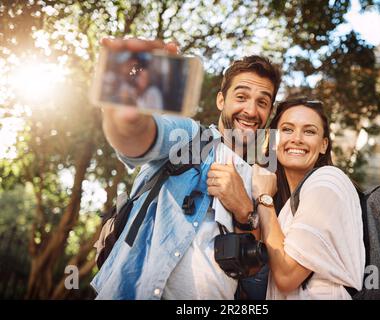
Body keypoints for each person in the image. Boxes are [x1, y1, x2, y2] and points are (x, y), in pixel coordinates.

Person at [91, 38, 282, 300]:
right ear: (220, 100)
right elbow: (138, 139)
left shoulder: (263, 184)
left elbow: (256, 286)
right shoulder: (189, 137)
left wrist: (245, 213)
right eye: (241, 97)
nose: (251, 110)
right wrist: (126, 116)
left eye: (262, 102)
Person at [252, 97, 365, 299]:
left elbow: (287, 276)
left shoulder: (328, 182)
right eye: (287, 129)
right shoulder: (289, 202)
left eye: (309, 131)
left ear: (323, 145)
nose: (297, 138)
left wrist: (263, 198)